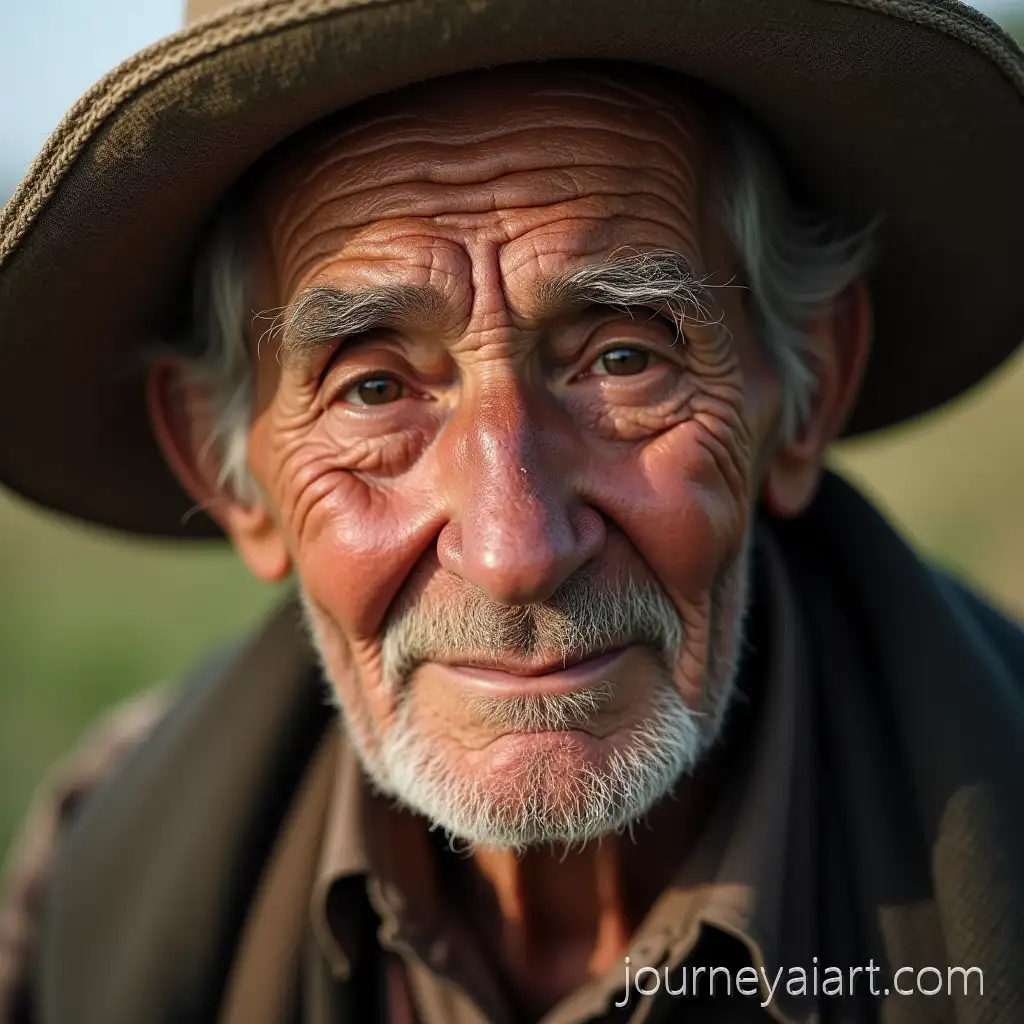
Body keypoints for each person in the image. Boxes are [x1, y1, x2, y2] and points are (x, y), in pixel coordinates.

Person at [1, 1, 1023, 1021]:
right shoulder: (87, 886)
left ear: (801, 388)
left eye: (623, 359)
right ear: (225, 471)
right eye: (373, 388)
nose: (513, 548)